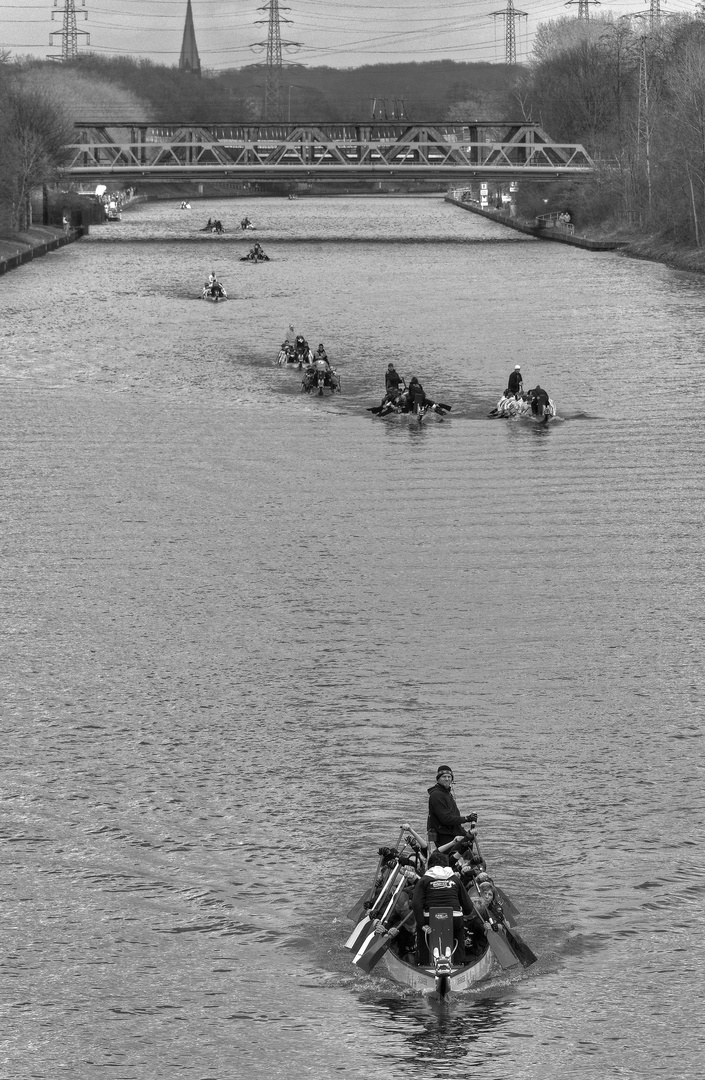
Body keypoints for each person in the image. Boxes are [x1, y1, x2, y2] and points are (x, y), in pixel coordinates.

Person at [411, 852, 478, 965]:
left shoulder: (424, 880)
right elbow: (468, 907)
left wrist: (422, 924)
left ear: (429, 866)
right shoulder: (455, 880)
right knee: (459, 929)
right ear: (447, 865)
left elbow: (416, 904)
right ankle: (459, 962)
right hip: (454, 918)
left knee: (421, 929)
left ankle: (424, 963)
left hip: (430, 919)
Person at [427, 765, 477, 851]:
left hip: (453, 831)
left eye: (449, 777)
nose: (447, 779)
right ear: (438, 779)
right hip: (443, 834)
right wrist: (467, 818)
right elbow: (445, 818)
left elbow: (453, 815)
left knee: (470, 839)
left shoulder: (446, 793)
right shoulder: (437, 795)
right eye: (444, 777)